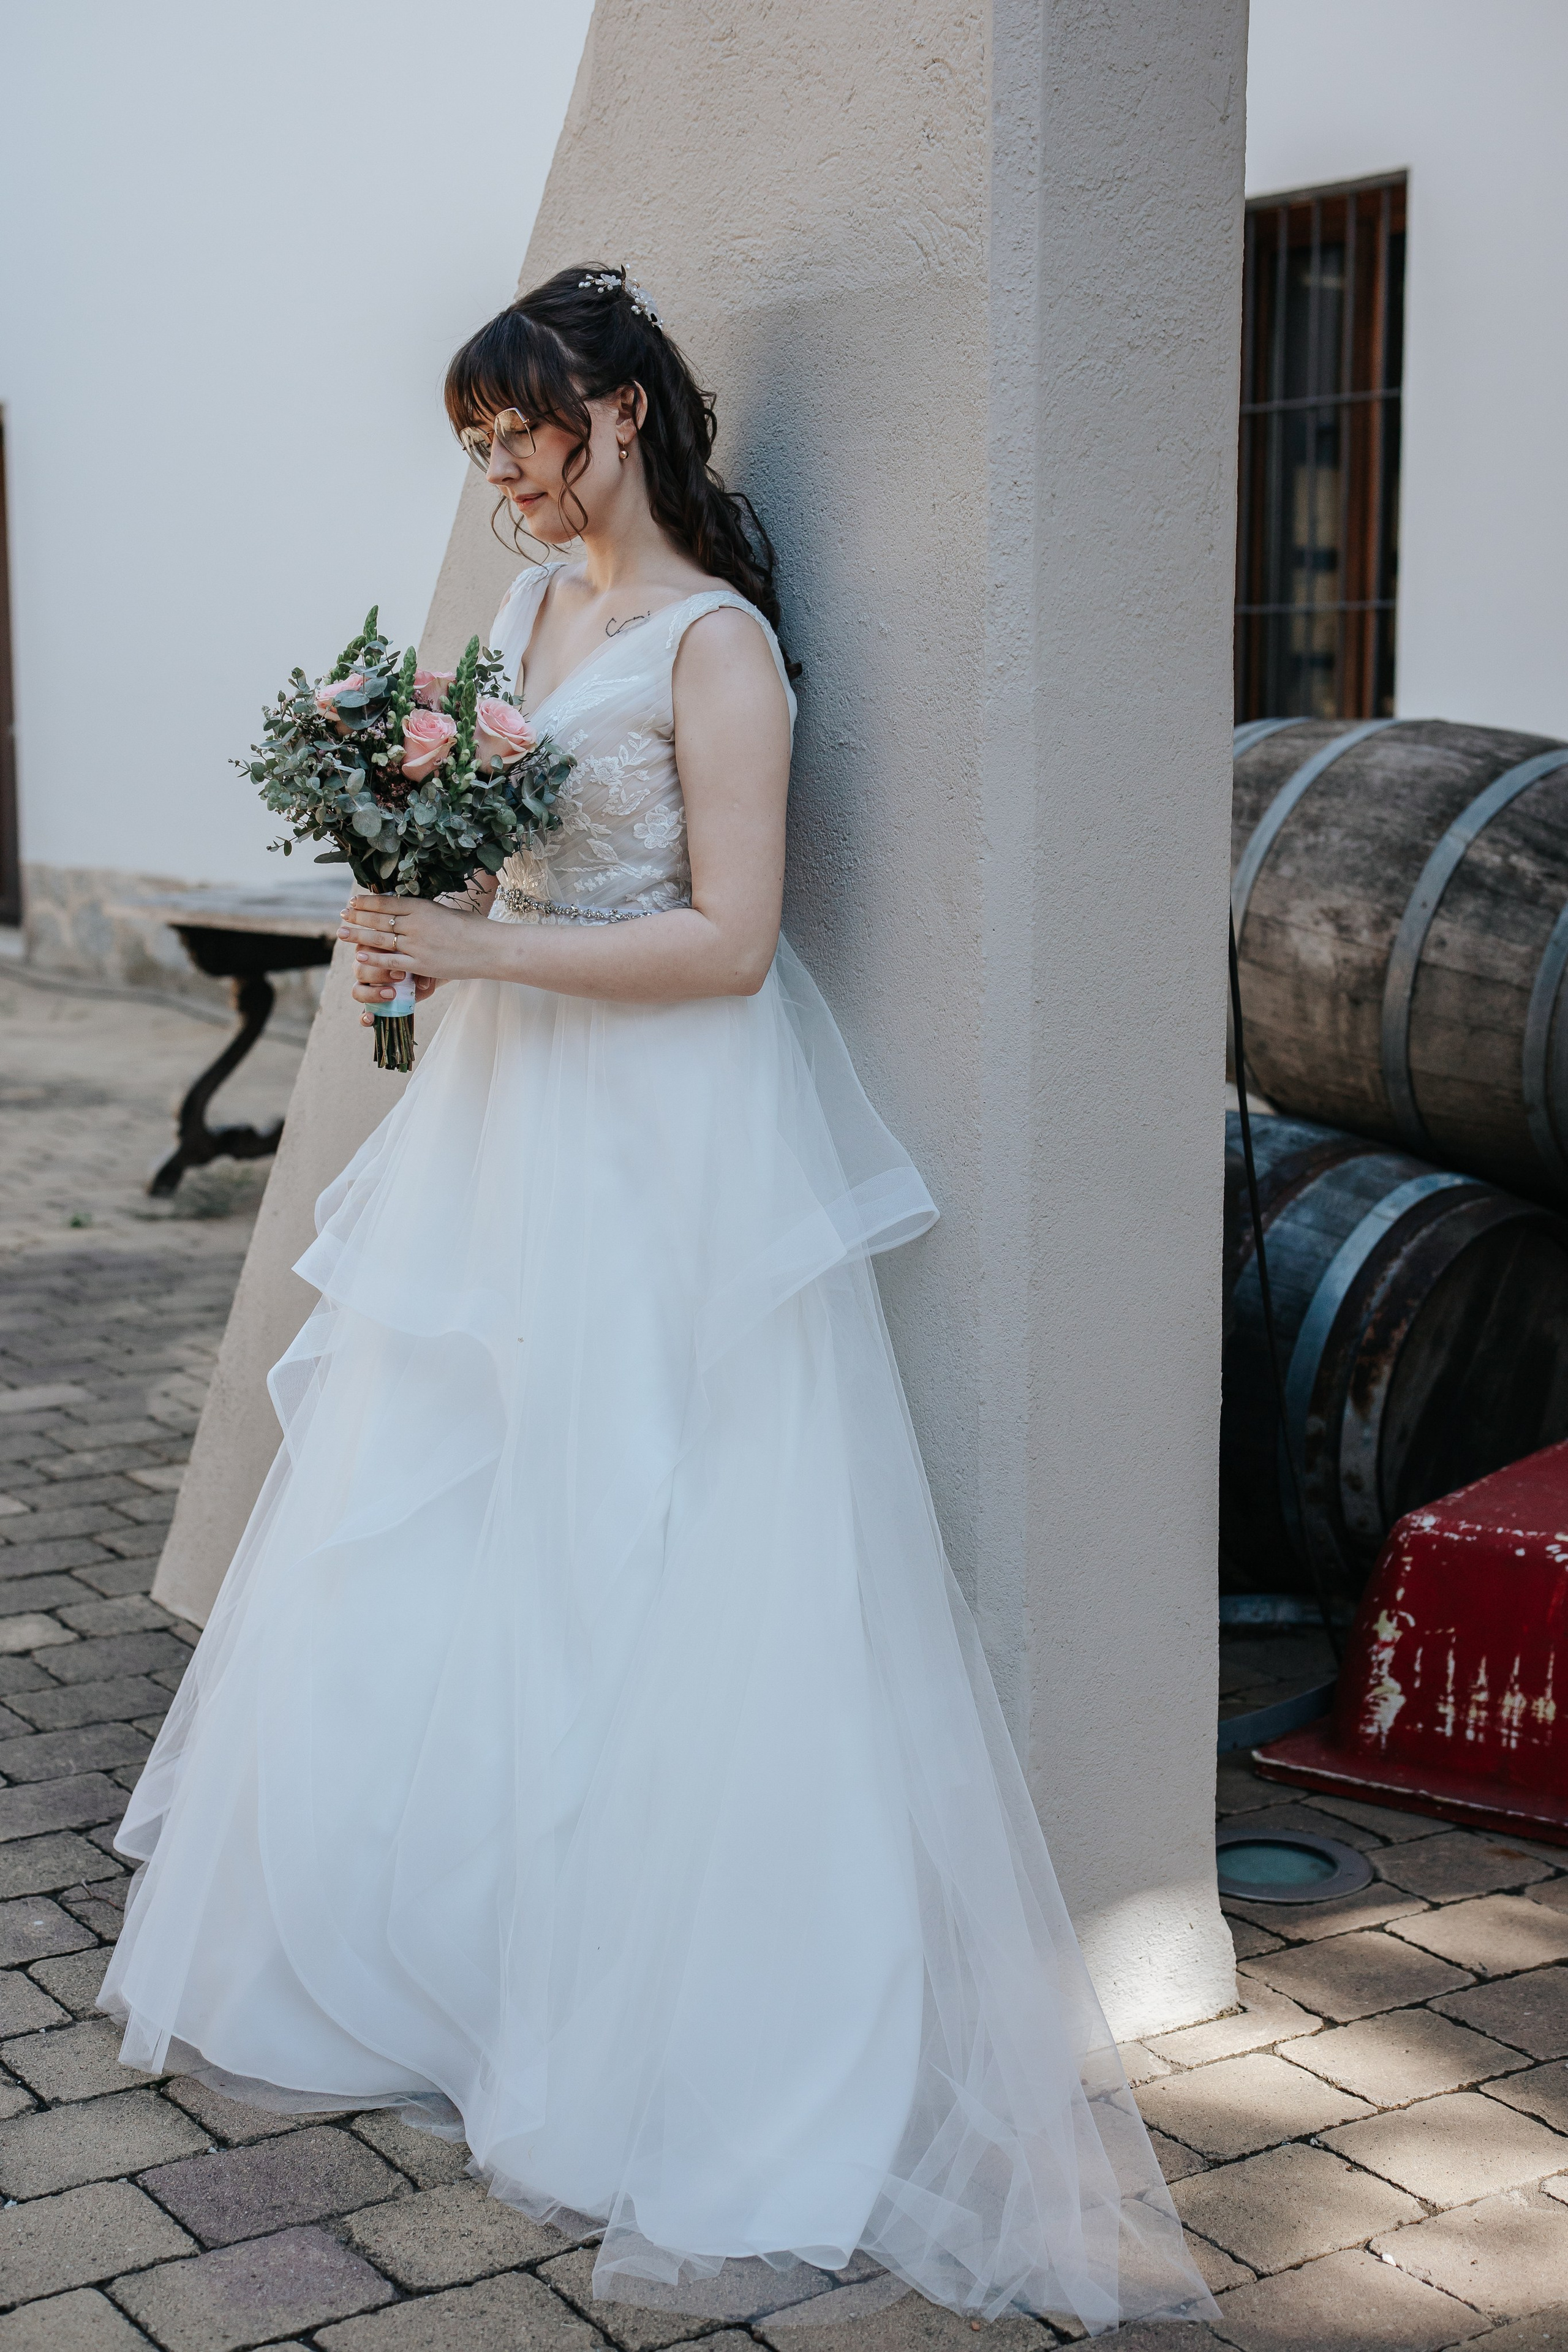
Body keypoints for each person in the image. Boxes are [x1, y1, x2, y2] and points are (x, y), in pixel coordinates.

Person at [101, 265, 1215, 2337]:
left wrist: (486, 952)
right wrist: (410, 927)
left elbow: (727, 940)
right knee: (465, 1499)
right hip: (510, 1136)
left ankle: (663, 2014)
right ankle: (473, 1956)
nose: (499, 475)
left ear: (615, 413)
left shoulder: (722, 649)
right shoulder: (527, 620)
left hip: (674, 1138)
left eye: (516, 434)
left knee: (659, 1521)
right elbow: (496, 873)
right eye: (474, 446)